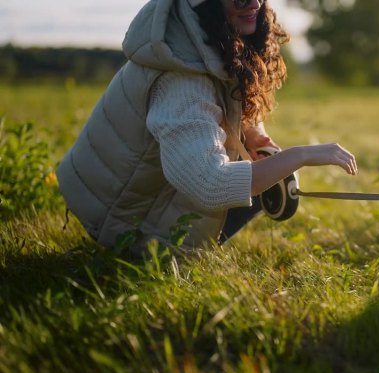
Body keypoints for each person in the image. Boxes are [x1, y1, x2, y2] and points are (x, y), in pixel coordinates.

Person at [56, 0, 357, 253]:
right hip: (121, 223)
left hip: (141, 199)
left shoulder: (205, 42)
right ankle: (149, 255)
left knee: (258, 175)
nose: (253, 3)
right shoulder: (183, 81)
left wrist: (258, 139)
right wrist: (301, 155)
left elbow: (230, 101)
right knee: (243, 183)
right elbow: (210, 185)